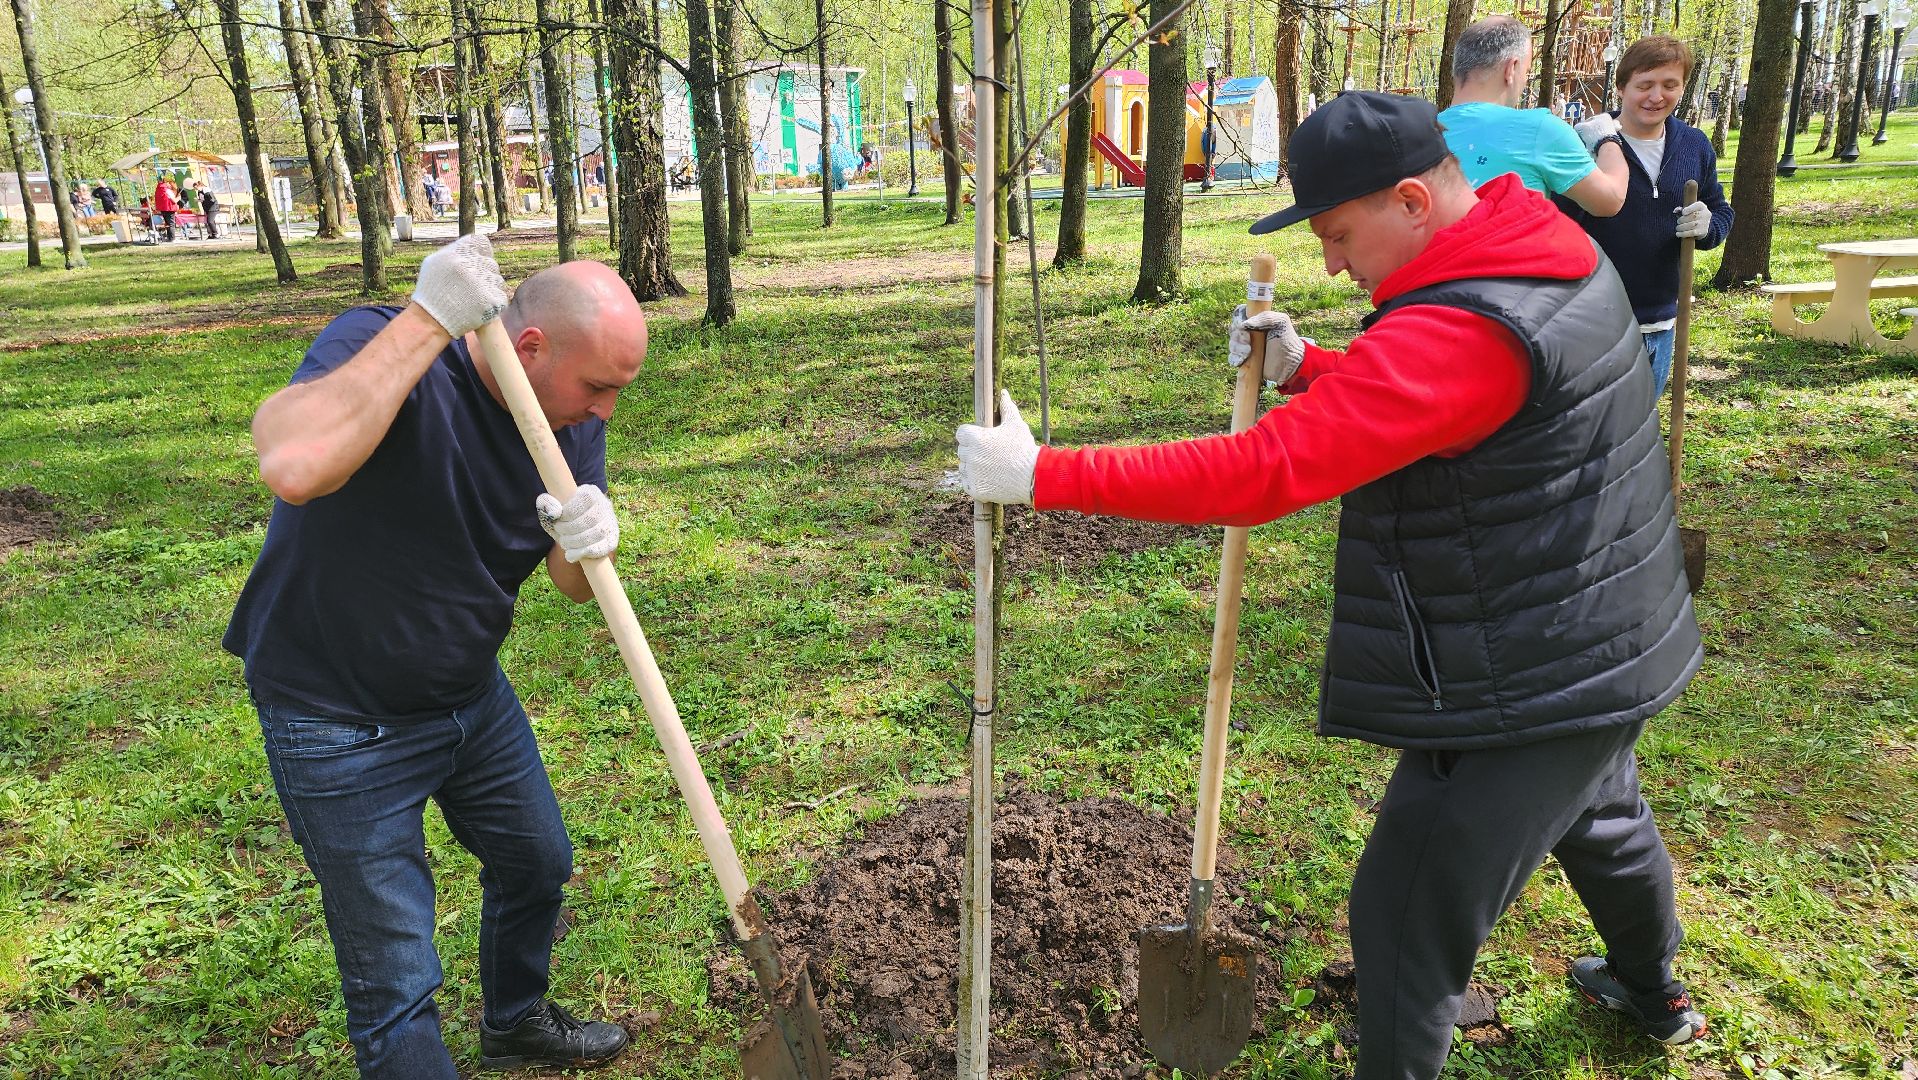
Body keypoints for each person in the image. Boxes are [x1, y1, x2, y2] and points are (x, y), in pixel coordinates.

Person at [954, 91, 1708, 1078]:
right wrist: (1317, 368)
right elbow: (1457, 404)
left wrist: (1045, 475)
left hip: (1528, 674)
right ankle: (1655, 994)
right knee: (1602, 816)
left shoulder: (1467, 330)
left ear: (1410, 201)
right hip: (1604, 633)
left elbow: (1262, 473)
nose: (1331, 262)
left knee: (1403, 912)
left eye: (1339, 234)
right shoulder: (1541, 247)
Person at [225, 235, 642, 1078]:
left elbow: (568, 582)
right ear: (529, 348)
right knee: (396, 982)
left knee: (537, 863)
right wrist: (425, 319)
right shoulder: (378, 346)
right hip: (337, 721)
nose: (603, 411)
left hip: (468, 696)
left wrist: (586, 536)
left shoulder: (565, 421)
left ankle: (515, 1020)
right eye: (597, 386)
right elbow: (293, 463)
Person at [1558, 36, 1733, 397]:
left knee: (1642, 428)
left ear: (1683, 88)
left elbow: (1720, 209)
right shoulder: (1587, 146)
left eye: (1670, 85)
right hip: (1597, 323)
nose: (1657, 96)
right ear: (1622, 87)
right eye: (1645, 85)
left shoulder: (1694, 144)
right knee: (1597, 433)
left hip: (1664, 321)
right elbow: (1557, 223)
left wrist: (1708, 226)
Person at [1438, 16, 1628, 217]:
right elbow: (1610, 200)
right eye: (1526, 72)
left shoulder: (1416, 133)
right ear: (1511, 69)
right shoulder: (1539, 129)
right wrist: (1607, 138)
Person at [153, 176, 180, 241]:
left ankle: (169, 237)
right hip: (169, 208)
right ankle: (172, 238)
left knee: (167, 224)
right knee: (171, 224)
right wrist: (179, 197)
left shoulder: (158, 189)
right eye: (168, 183)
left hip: (162, 208)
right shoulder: (167, 190)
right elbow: (174, 200)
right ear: (166, 182)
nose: (170, 184)